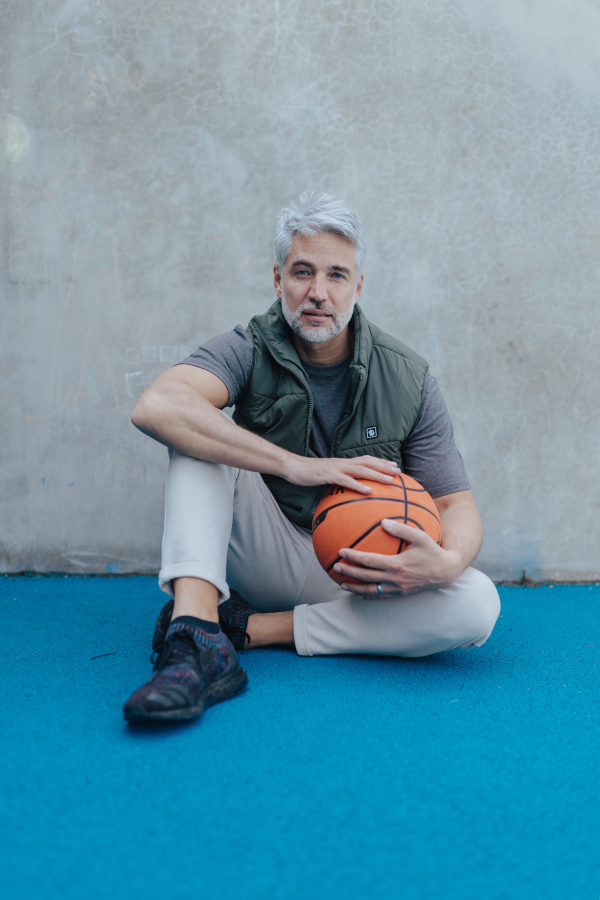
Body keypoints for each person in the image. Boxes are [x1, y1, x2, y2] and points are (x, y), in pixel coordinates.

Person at [123, 192, 500, 723]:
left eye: (336, 275)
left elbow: (456, 504)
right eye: (302, 272)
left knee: (478, 602)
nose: (318, 293)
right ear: (277, 280)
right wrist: (295, 464)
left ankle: (247, 629)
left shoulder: (408, 376)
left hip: (358, 568)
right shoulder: (248, 346)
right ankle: (193, 636)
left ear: (358, 286)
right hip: (264, 549)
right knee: (194, 437)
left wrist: (447, 561)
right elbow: (158, 405)